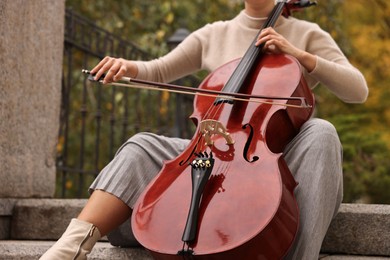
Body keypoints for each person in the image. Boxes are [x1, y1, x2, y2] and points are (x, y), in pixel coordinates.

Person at [41, 0, 368, 259]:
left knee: (322, 132)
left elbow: (357, 90)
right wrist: (127, 68)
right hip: (217, 151)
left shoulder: (307, 33)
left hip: (279, 159)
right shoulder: (214, 33)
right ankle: (70, 248)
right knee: (141, 146)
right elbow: (158, 70)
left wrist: (299, 56)